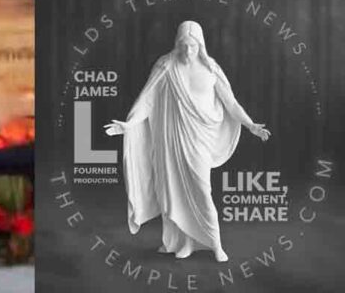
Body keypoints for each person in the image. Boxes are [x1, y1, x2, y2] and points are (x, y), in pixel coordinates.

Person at [105, 19, 270, 263]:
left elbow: (231, 103)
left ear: (200, 45)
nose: (187, 51)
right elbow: (147, 100)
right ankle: (184, 242)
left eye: (192, 46)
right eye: (183, 45)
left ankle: (215, 244)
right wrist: (129, 124)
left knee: (202, 191)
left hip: (200, 139)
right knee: (173, 190)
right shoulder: (166, 66)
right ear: (177, 43)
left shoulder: (211, 69)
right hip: (172, 140)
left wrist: (250, 124)